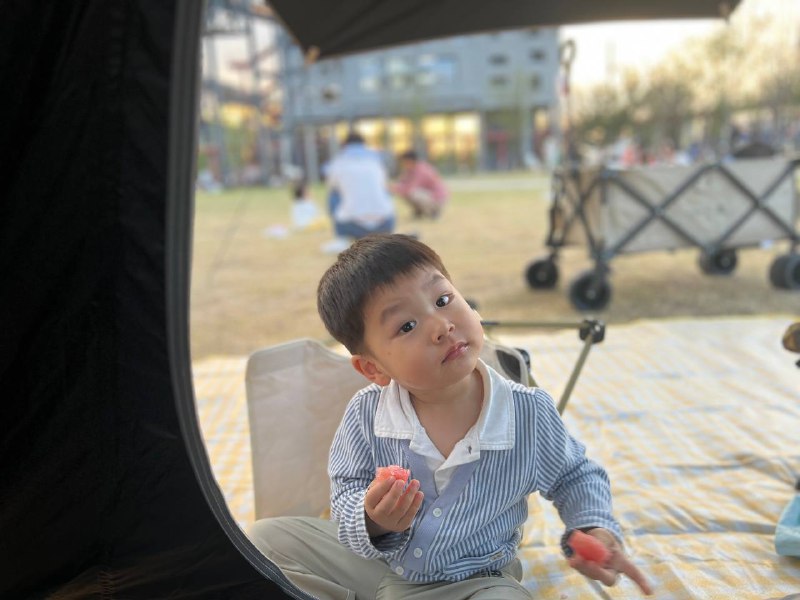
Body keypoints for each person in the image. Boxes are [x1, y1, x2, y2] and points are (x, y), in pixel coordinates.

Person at [248, 234, 653, 599]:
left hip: (476, 579)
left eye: (443, 300)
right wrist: (372, 519)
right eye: (407, 325)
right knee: (263, 540)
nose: (441, 326)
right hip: (378, 569)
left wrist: (593, 528)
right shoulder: (365, 413)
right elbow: (345, 494)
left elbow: (574, 476)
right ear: (373, 368)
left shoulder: (527, 412)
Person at [323, 132, 395, 251]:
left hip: (352, 225)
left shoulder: (338, 162)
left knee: (334, 194)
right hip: (385, 222)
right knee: (383, 191)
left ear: (345, 145)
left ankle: (341, 238)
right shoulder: (376, 160)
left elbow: (332, 185)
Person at [391, 150, 448, 219]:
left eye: (404, 161)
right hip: (427, 195)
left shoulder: (421, 170)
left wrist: (395, 188)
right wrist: (394, 187)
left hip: (437, 198)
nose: (402, 164)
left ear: (410, 160)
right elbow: (401, 182)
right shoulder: (409, 169)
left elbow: (410, 188)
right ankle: (419, 211)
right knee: (405, 192)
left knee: (412, 193)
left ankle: (434, 211)